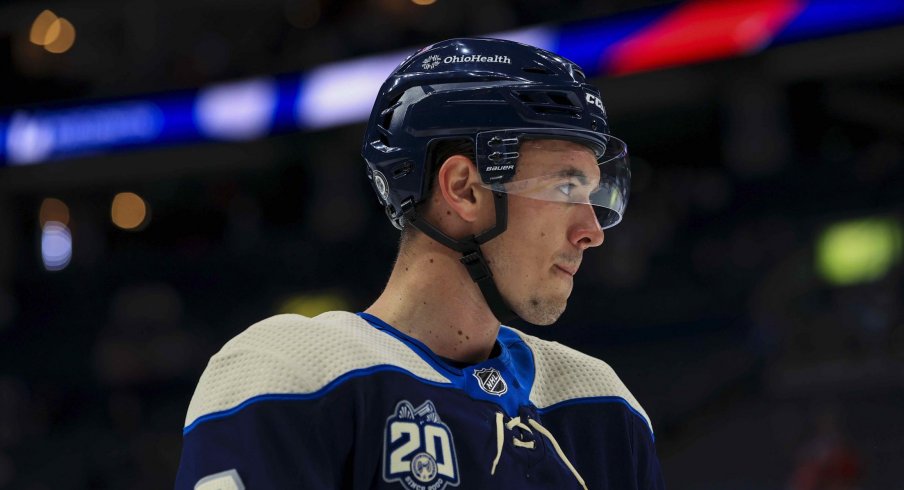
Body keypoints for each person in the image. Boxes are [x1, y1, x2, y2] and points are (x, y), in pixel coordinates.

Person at [175, 37, 664, 490]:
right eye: (564, 188)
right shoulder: (294, 374)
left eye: (592, 194)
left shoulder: (600, 404)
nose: (592, 231)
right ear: (464, 190)